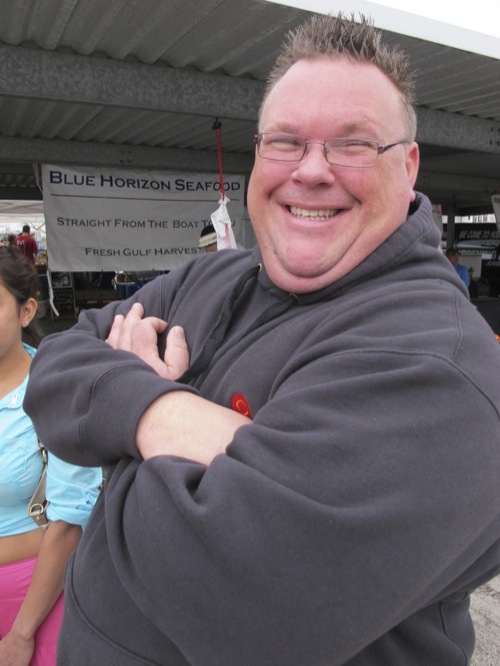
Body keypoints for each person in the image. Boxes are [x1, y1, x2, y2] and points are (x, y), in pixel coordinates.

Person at [24, 13, 500, 666]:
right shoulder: (212, 276)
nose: (312, 170)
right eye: (285, 142)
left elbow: (241, 601)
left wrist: (116, 422)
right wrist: (162, 414)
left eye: (353, 144)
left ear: (409, 166)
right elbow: (54, 369)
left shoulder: (437, 363)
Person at [0, 246, 102, 665]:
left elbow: (70, 522)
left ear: (26, 312)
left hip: (34, 601)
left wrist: (22, 633)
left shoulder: (55, 391)